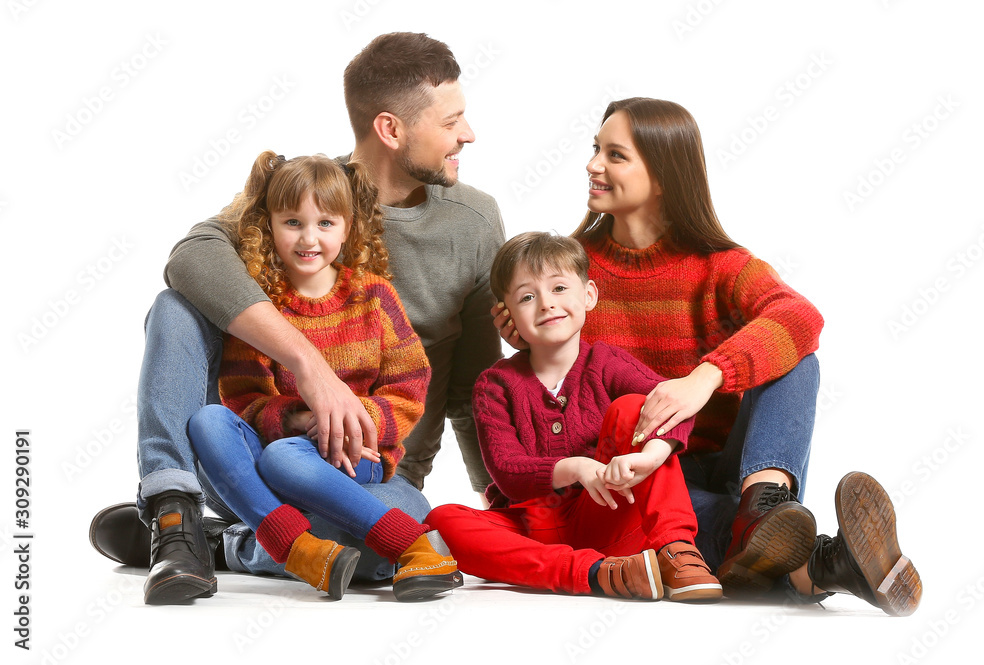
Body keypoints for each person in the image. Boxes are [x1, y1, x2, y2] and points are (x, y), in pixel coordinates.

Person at [88, 32, 504, 604]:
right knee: (177, 306)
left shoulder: (474, 220)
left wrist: (505, 505)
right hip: (255, 456)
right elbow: (190, 257)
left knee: (384, 546)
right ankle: (173, 512)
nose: (469, 134)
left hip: (369, 472)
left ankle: (226, 545)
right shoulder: (304, 194)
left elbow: (473, 386)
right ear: (391, 129)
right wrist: (308, 368)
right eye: (452, 120)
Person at [492, 98, 921, 616]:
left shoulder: (719, 265)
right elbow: (552, 386)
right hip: (646, 474)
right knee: (700, 531)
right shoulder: (569, 275)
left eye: (615, 155)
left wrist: (706, 377)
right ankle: (828, 565)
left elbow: (800, 317)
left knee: (795, 358)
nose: (592, 165)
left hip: (732, 464)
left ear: (664, 177)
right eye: (594, 150)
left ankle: (763, 504)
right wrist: (535, 339)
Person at [184, 150, 462, 602]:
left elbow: (410, 386)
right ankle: (299, 546)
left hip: (358, 456)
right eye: (292, 222)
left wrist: (355, 419)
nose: (308, 238)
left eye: (325, 224)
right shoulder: (261, 310)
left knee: (288, 463)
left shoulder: (373, 296)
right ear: (268, 225)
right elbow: (243, 401)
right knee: (207, 422)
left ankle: (236, 543)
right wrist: (296, 419)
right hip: (277, 452)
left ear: (348, 227)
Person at [427, 232, 723, 603]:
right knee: (441, 521)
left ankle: (677, 552)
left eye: (559, 288)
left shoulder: (606, 362)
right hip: (530, 528)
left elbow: (675, 403)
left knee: (636, 405)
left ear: (589, 295)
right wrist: (575, 467)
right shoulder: (495, 385)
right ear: (507, 314)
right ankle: (600, 574)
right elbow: (507, 471)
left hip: (608, 512)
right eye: (527, 297)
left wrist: (650, 456)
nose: (546, 305)